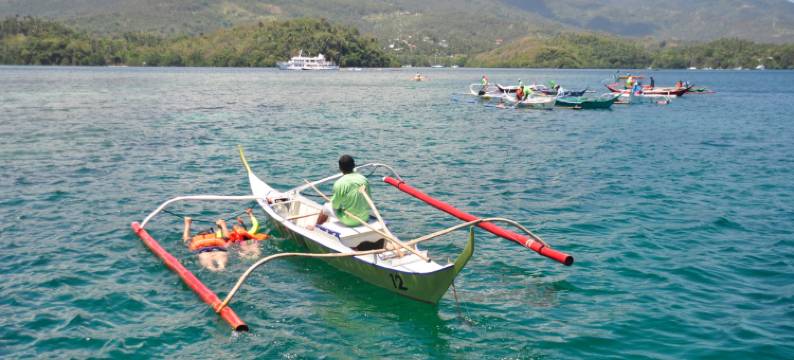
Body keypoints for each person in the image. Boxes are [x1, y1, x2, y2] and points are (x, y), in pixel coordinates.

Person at [313, 155, 372, 229]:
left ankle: (315, 228)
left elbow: (335, 206)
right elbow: (369, 200)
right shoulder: (364, 179)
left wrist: (335, 203)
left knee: (326, 207)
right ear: (354, 166)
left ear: (340, 168)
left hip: (350, 220)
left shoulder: (339, 183)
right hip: (365, 217)